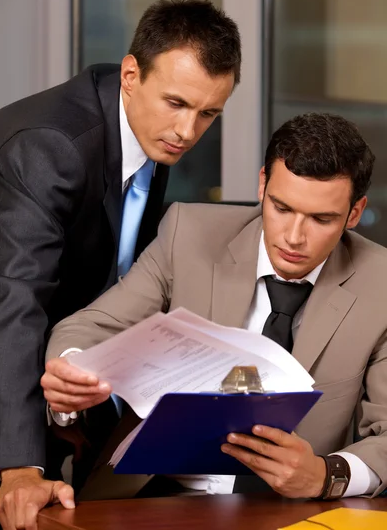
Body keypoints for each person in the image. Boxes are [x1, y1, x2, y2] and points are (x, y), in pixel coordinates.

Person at [0, 0, 241, 529]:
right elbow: (15, 298)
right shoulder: (49, 147)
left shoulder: (149, 131)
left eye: (208, 113)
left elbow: (106, 279)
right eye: (176, 103)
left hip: (49, 379)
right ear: (131, 74)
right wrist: (18, 463)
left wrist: (69, 406)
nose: (189, 131)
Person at [44, 112, 387, 505]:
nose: (294, 237)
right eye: (281, 208)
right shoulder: (188, 234)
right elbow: (87, 328)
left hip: (289, 509)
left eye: (321, 219)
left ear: (355, 213)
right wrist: (73, 373)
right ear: (262, 185)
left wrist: (327, 476)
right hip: (152, 495)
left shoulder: (380, 285)